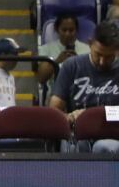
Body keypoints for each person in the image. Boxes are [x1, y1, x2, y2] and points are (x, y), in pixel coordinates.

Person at [49, 19, 119, 151]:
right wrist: (69, 117)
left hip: (112, 134)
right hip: (79, 133)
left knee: (103, 147)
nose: (102, 62)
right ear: (90, 43)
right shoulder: (72, 65)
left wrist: (92, 115)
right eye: (98, 54)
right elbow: (54, 110)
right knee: (77, 146)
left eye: (109, 56)